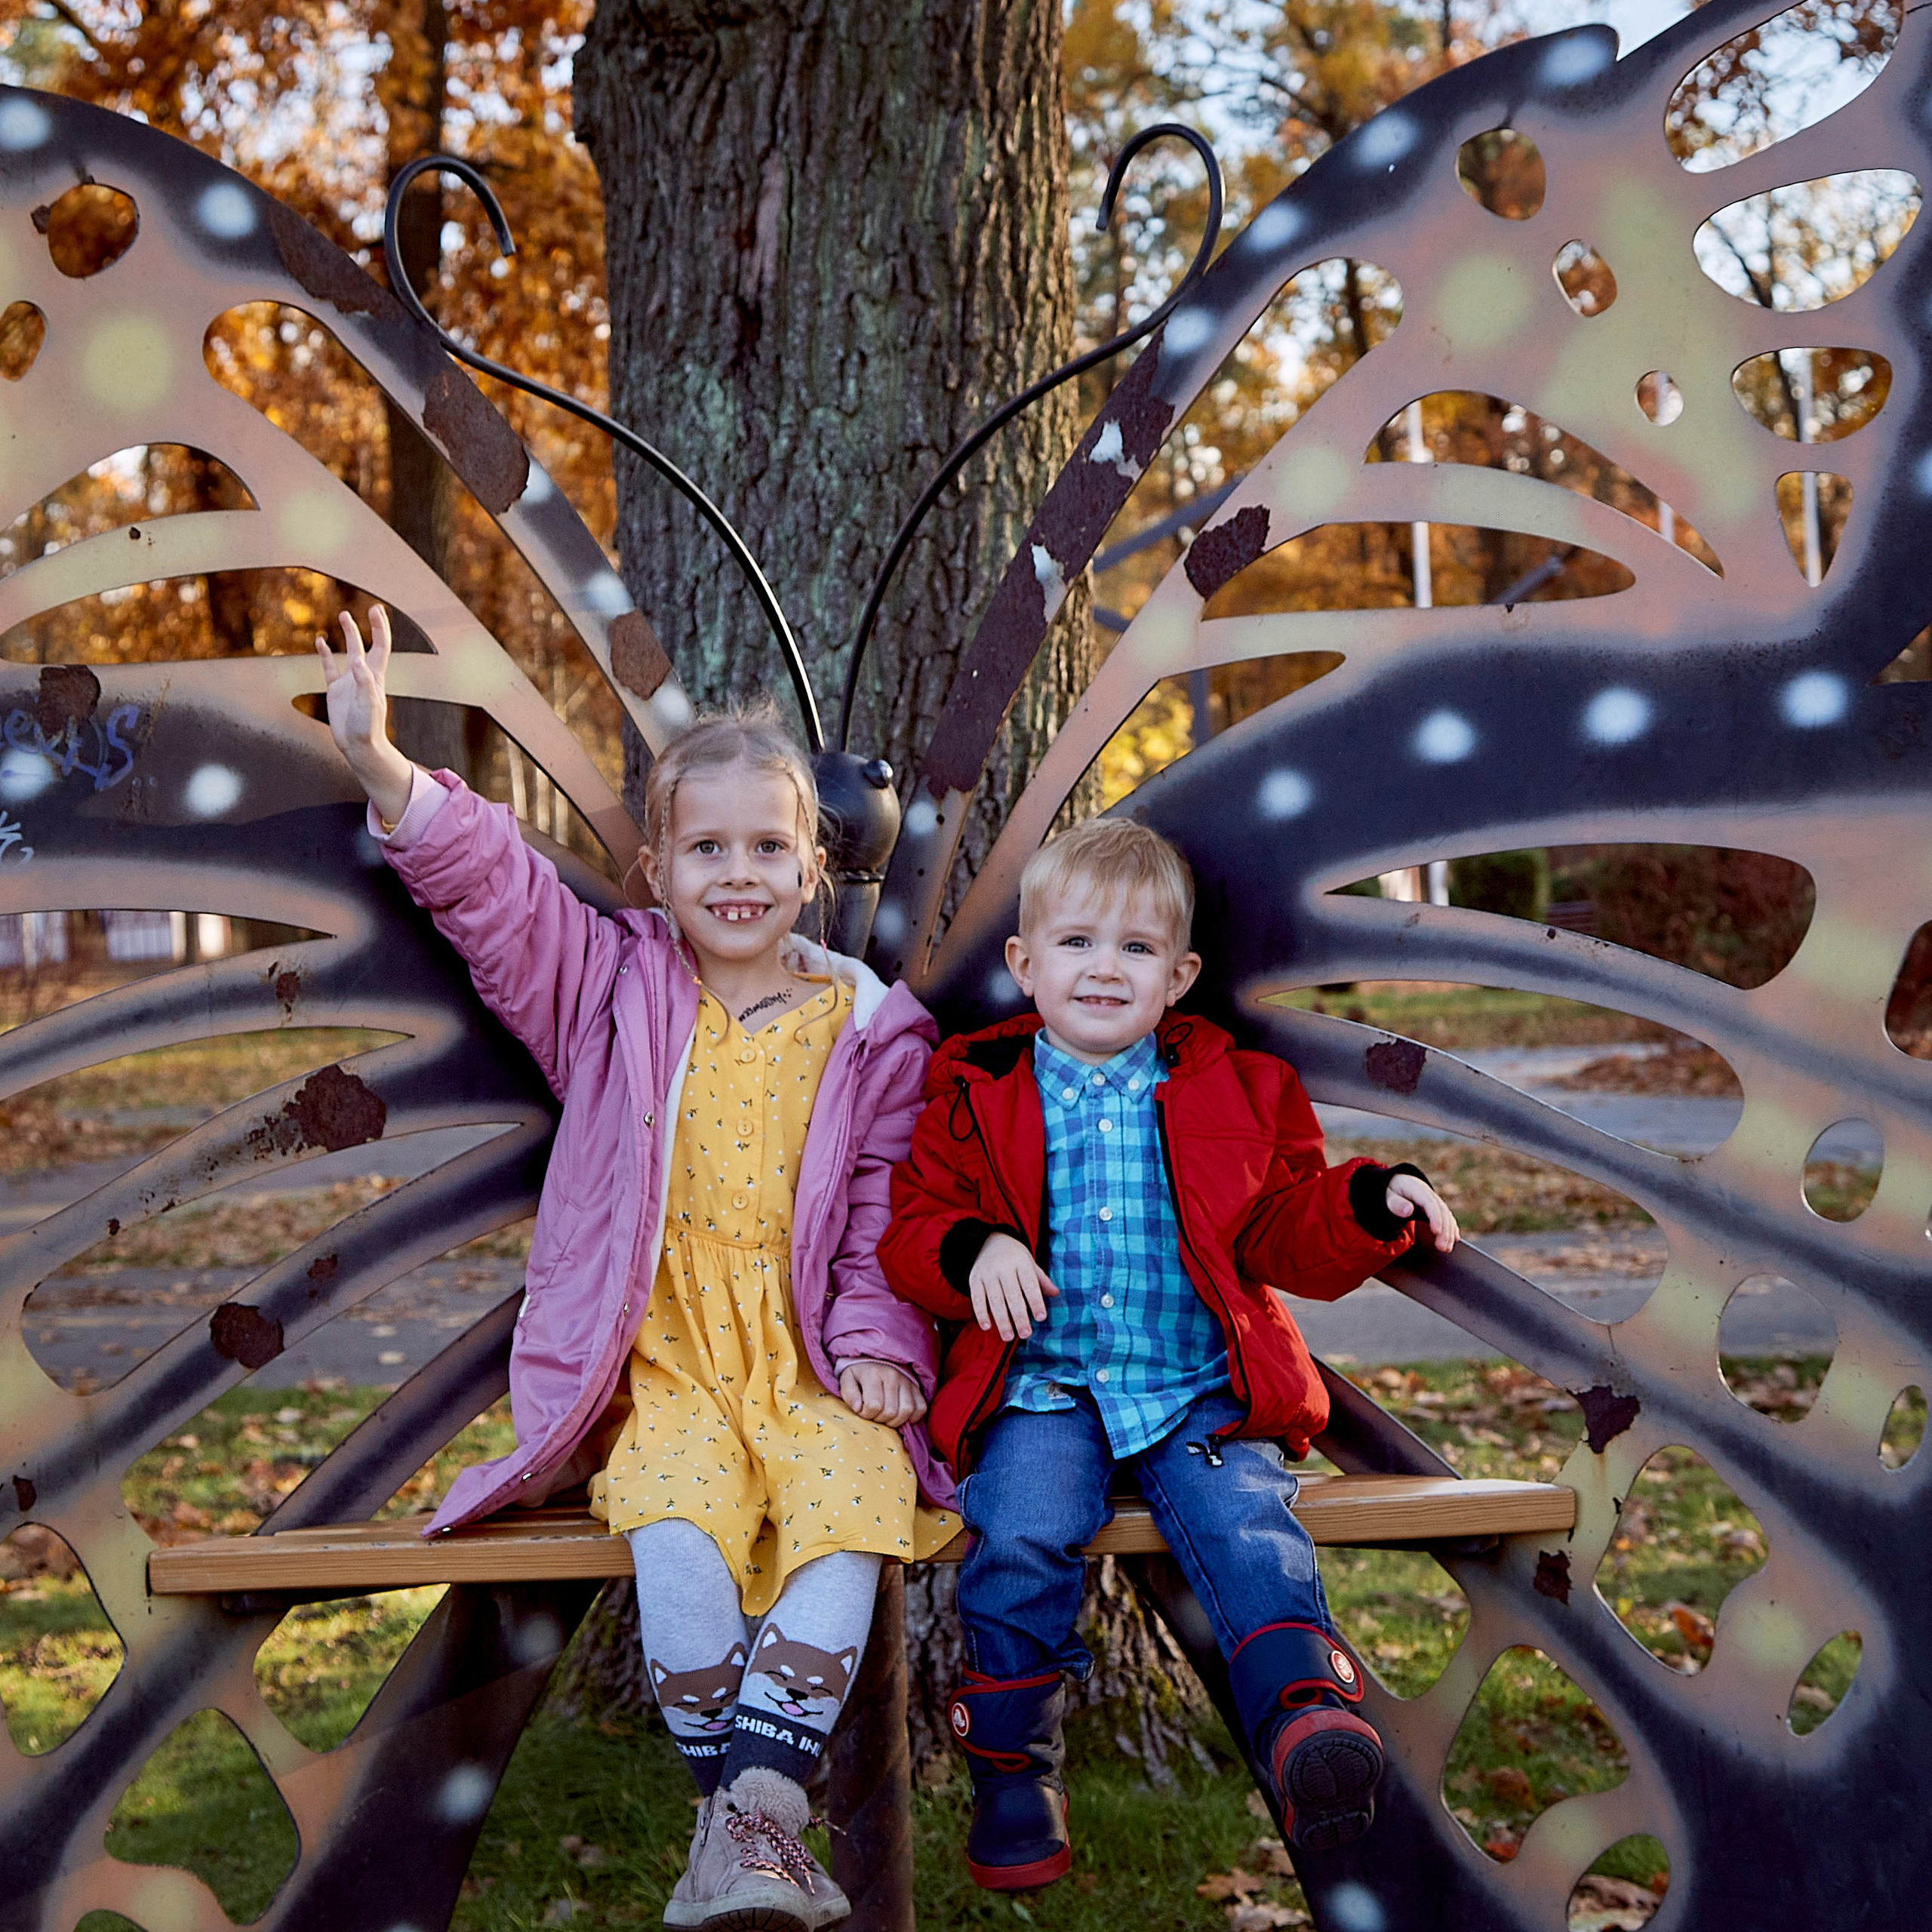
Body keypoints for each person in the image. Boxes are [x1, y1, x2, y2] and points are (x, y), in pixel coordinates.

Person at [315, 607, 956, 1932]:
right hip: (663, 1363)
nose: (739, 873)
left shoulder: (874, 1029)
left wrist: (885, 1343)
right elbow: (496, 900)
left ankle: (745, 1828)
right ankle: (757, 1830)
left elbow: (890, 1199)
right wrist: (385, 768)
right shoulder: (607, 991)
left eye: (768, 847)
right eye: (706, 847)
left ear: (813, 866)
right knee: (676, 1539)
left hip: (816, 1359)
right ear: (656, 869)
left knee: (853, 1512)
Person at [879, 817, 1459, 1889]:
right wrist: (973, 1248)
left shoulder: (1237, 1089)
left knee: (1249, 1520)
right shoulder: (974, 1090)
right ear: (1025, 963)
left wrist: (1374, 1197)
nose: (1106, 968)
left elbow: (1289, 1224)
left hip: (1195, 1389)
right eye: (1077, 943)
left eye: (1137, 950)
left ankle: (1302, 1719)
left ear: (1180, 974)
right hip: (1042, 1390)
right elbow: (910, 1228)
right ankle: (1014, 1765)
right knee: (1018, 1533)